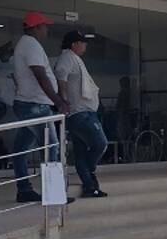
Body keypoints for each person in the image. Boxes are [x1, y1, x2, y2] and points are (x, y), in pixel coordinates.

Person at [12, 11, 68, 203]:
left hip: (28, 103)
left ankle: (24, 190)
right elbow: (40, 75)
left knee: (20, 149)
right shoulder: (31, 45)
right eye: (45, 26)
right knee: (51, 147)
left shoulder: (25, 44)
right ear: (36, 27)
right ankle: (53, 195)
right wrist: (59, 101)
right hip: (35, 105)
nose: (47, 29)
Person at [54, 30, 108, 199]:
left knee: (81, 151)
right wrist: (63, 100)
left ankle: (89, 186)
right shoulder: (68, 57)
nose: (85, 45)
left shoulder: (74, 58)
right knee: (100, 143)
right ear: (74, 44)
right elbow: (61, 76)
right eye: (82, 42)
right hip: (79, 113)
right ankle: (90, 171)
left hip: (83, 112)